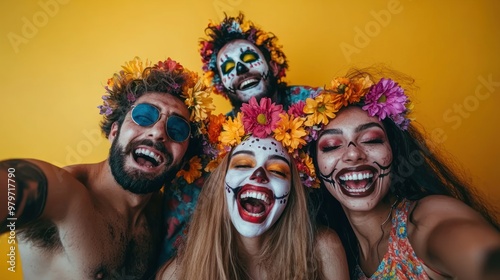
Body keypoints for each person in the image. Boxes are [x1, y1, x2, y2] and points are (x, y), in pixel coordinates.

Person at [0, 57, 213, 279]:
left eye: (177, 129)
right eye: (144, 116)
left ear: (183, 158)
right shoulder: (64, 193)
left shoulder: (162, 215)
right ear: (114, 131)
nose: (158, 132)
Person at [160, 12, 323, 263]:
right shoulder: (217, 139)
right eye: (228, 68)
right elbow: (180, 213)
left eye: (249, 58)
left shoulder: (315, 104)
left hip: (317, 236)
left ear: (273, 65)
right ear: (222, 86)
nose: (240, 69)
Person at [308, 66, 500, 279]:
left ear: (394, 151)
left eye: (371, 139)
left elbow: (484, 258)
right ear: (312, 167)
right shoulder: (334, 249)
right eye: (332, 145)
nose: (353, 154)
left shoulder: (425, 219)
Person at [156, 97, 349, 280]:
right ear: (220, 183)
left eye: (278, 171)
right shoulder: (177, 274)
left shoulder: (324, 251)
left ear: (292, 192)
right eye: (242, 164)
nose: (259, 175)